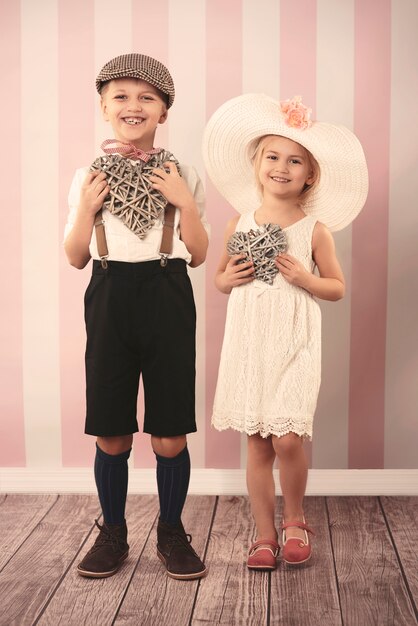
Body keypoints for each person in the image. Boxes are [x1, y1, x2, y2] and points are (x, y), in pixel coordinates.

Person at [202, 94, 368, 569]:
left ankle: (295, 517)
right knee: (257, 441)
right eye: (273, 157)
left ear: (309, 174)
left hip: (294, 343)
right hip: (251, 343)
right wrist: (226, 279)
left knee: (287, 437)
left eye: (295, 161)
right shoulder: (240, 221)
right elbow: (220, 277)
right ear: (257, 165)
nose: (282, 167)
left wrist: (305, 279)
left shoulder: (315, 228)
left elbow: (335, 287)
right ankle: (263, 534)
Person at [64, 53, 209, 580]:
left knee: (170, 430)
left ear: (164, 111)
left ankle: (171, 533)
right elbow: (76, 255)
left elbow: (198, 253)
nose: (134, 105)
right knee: (111, 429)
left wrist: (183, 204)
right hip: (109, 294)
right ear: (104, 107)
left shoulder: (182, 173)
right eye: (121, 96)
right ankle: (114, 532)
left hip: (168, 290)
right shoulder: (88, 174)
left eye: (147, 97)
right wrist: (85, 210)